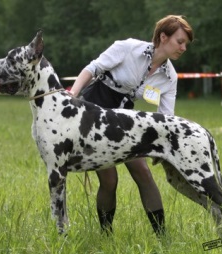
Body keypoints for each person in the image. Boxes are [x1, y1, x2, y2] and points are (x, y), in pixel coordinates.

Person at [69, 15, 194, 236]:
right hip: (94, 110)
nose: (183, 48)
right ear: (163, 37)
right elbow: (92, 68)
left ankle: (161, 236)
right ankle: (106, 235)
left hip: (124, 117)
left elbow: (166, 118)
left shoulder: (169, 77)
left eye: (186, 44)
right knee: (109, 178)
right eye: (180, 41)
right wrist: (73, 94)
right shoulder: (128, 48)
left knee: (143, 171)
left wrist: (162, 149)